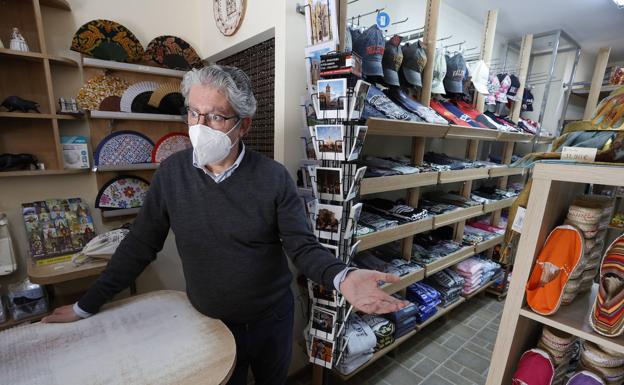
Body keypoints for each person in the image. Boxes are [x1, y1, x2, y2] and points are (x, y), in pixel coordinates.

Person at [43, 65, 407, 385]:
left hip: (271, 321)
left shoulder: (273, 178)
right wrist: (85, 305)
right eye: (193, 114)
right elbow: (139, 244)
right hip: (210, 322)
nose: (200, 127)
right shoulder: (172, 175)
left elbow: (302, 247)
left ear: (243, 125)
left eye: (216, 117)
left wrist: (342, 277)